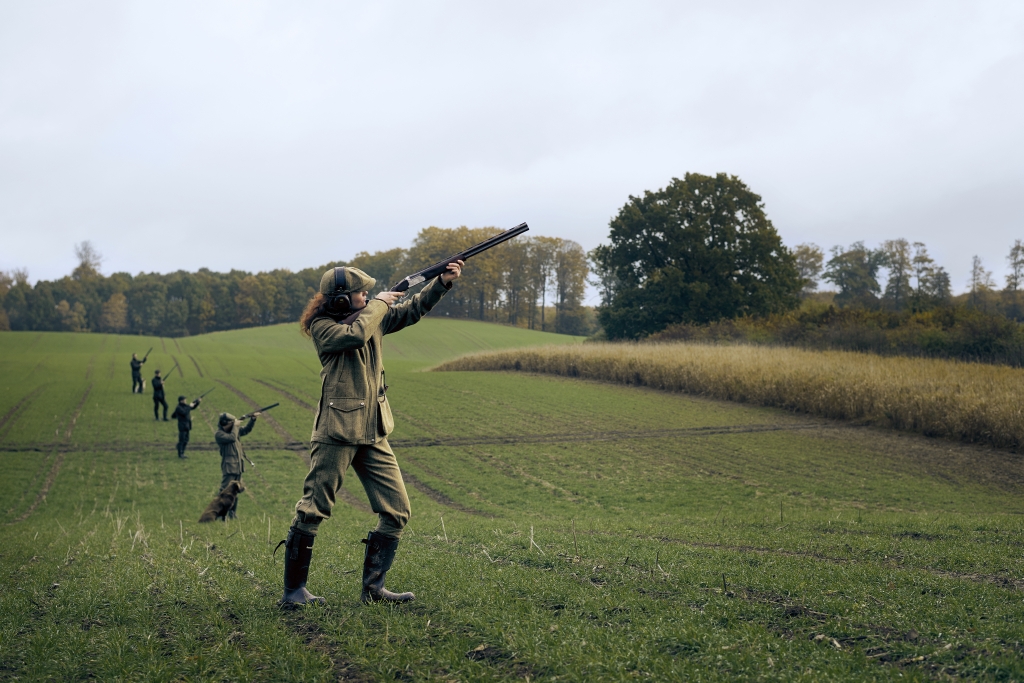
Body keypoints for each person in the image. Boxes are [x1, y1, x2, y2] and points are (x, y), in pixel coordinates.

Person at [279, 261, 462, 607]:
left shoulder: (372, 316)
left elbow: (412, 311)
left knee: (397, 511)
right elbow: (356, 335)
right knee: (312, 510)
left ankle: (373, 590)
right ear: (342, 302)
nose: (367, 295)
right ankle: (293, 593)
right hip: (337, 430)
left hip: (373, 429)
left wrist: (441, 284)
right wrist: (379, 302)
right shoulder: (324, 327)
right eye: (361, 292)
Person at [214, 412, 258, 519]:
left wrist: (252, 420)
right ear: (226, 423)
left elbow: (246, 430)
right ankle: (219, 513)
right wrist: (235, 426)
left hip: (238, 466)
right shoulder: (220, 434)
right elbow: (232, 438)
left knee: (235, 490)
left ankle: (232, 513)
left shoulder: (233, 431)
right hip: (229, 467)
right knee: (224, 490)